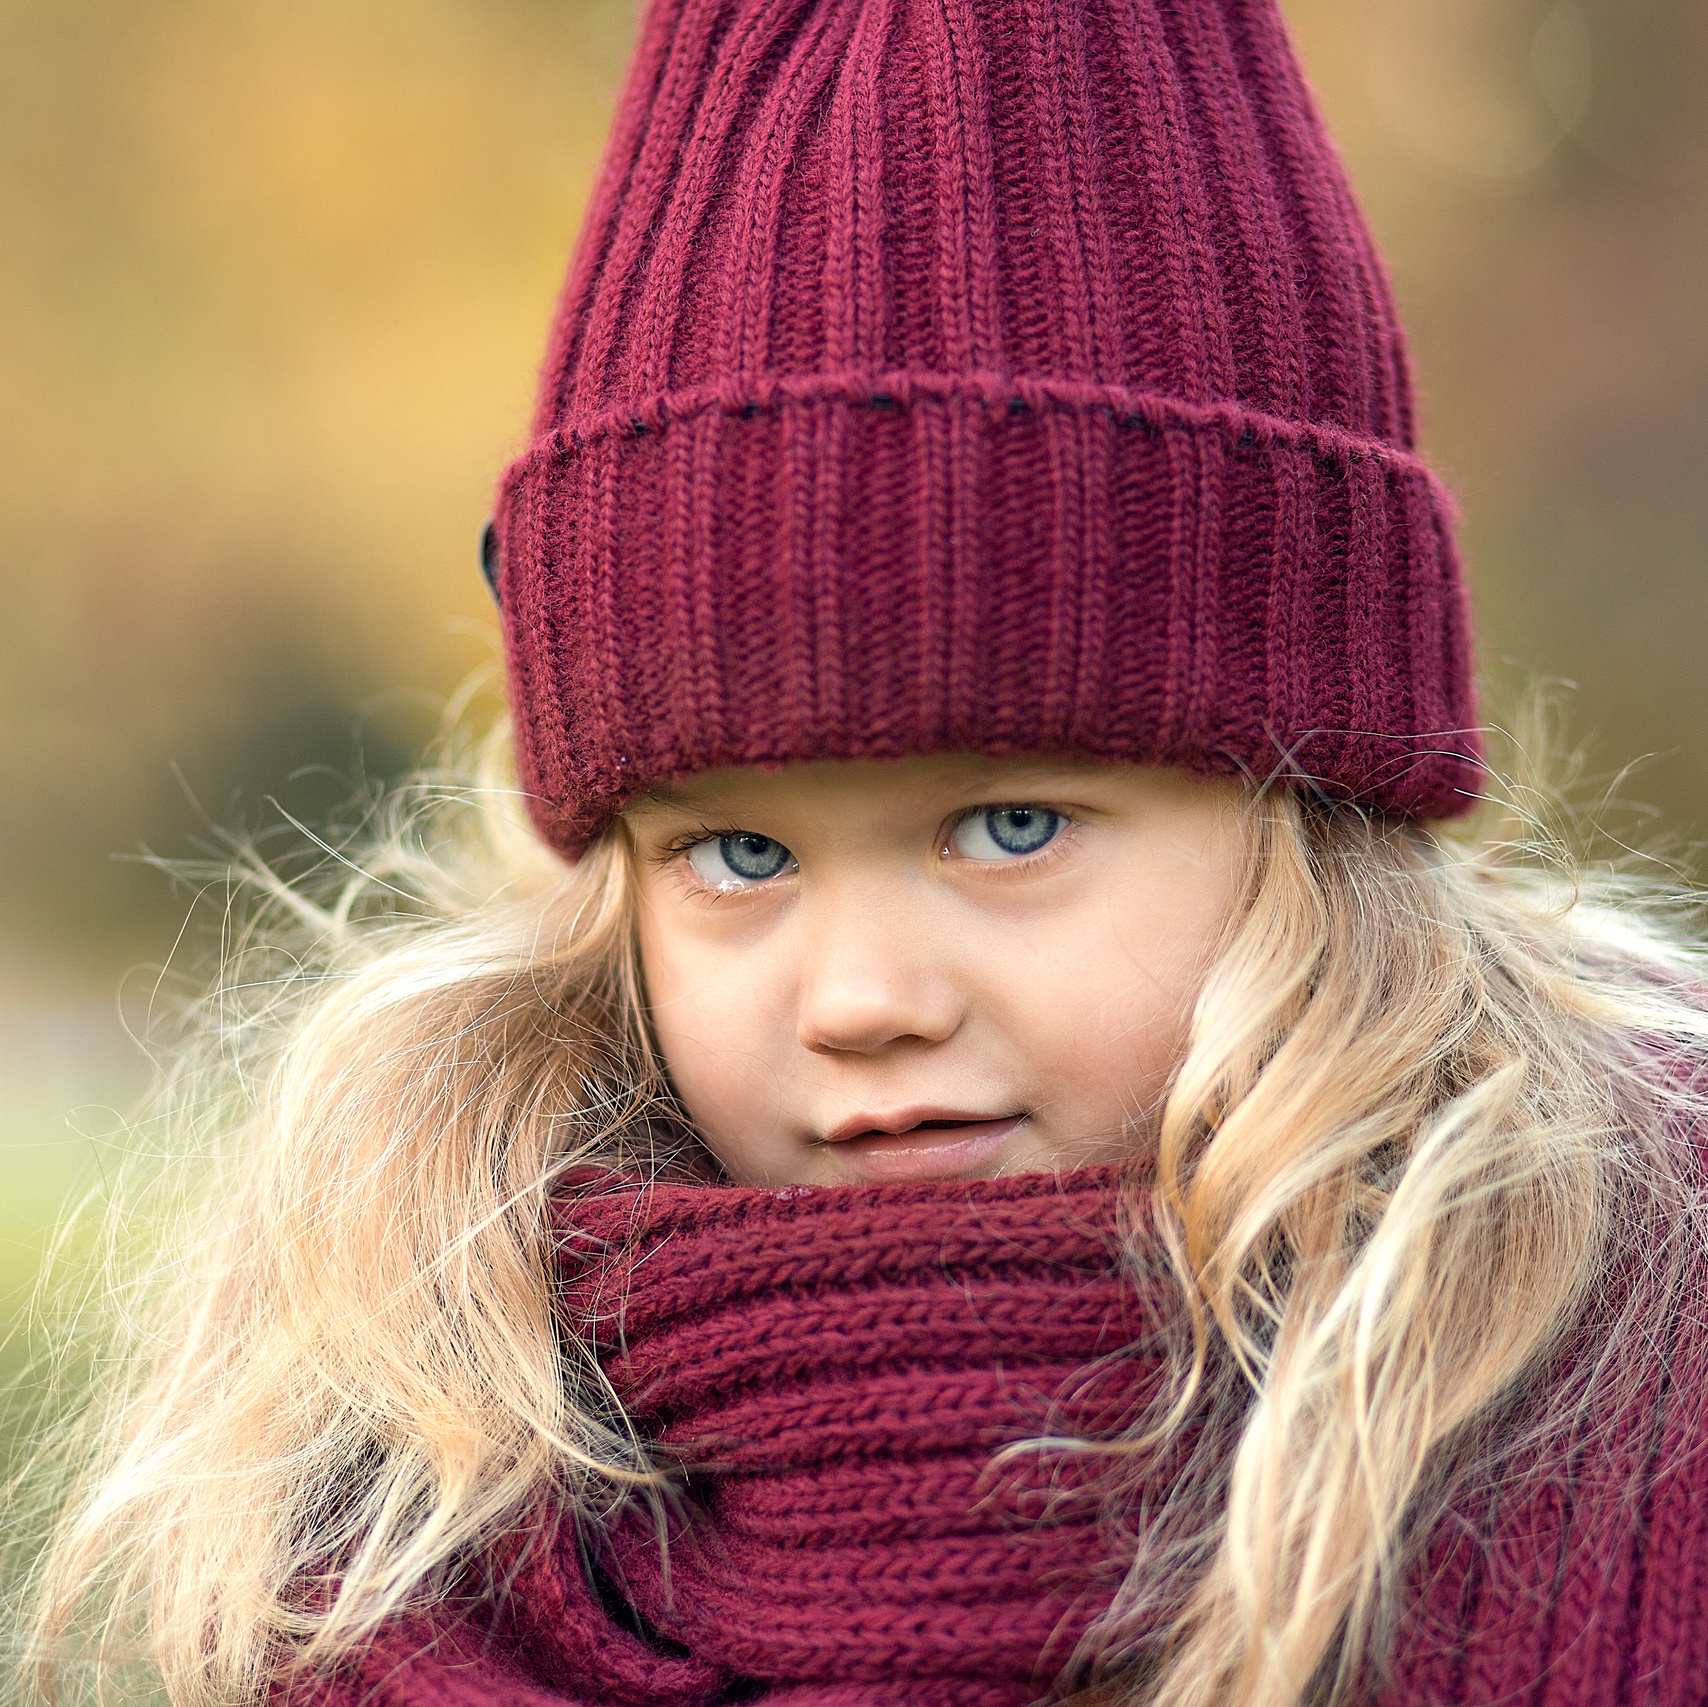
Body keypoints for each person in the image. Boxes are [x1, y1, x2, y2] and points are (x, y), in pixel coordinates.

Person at [20, 0, 1708, 1702]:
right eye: (739, 855)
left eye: (1009, 826)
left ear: (1319, 822)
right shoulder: (426, 1507)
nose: (862, 1000)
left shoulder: (1630, 1405)